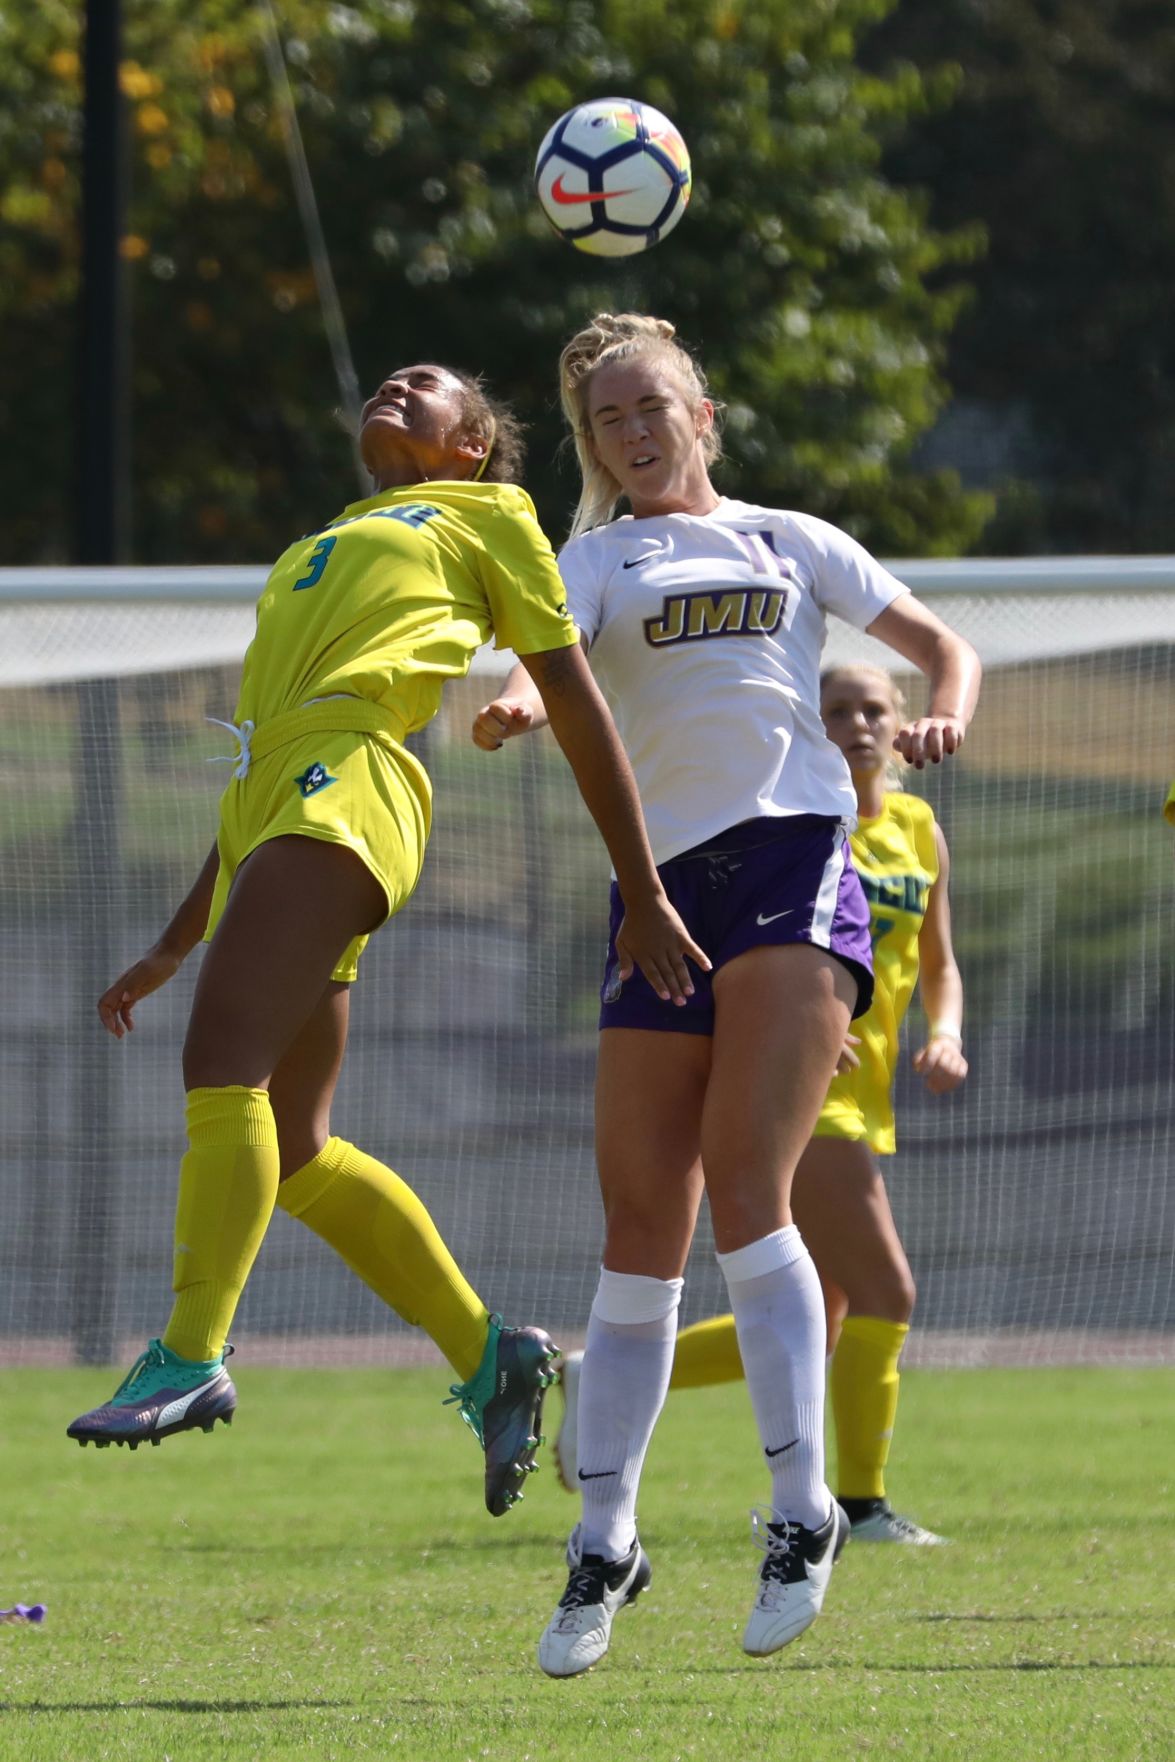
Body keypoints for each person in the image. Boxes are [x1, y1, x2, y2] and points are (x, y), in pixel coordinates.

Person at [67, 360, 707, 1522]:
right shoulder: (326, 538)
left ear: (473, 445)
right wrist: (174, 939)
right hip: (280, 793)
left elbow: (572, 698)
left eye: (429, 385)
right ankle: (488, 1354)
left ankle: (190, 1352)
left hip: (352, 782)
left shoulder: (489, 514)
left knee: (222, 1074)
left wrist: (641, 883)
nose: (396, 387)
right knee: (299, 1148)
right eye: (389, 380)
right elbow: (259, 759)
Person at [472, 313, 980, 1675]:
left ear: (700, 411)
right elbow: (536, 663)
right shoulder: (588, 559)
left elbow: (941, 644)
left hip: (794, 864)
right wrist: (515, 701)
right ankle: (605, 1537)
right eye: (606, 423)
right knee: (639, 1220)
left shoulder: (786, 538)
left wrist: (947, 706)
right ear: (592, 449)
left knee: (745, 1183)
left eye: (652, 407)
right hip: (656, 888)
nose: (634, 433)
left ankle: (800, 1506)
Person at [553, 663, 969, 1547]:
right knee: (883, 1289)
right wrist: (802, 1016)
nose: (856, 725)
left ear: (900, 724)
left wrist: (946, 1033)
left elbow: (937, 960)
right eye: (836, 712)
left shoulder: (918, 828)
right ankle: (855, 1507)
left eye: (873, 710)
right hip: (811, 1094)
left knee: (828, 1300)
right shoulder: (796, 834)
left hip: (871, 1092)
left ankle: (598, 1373)